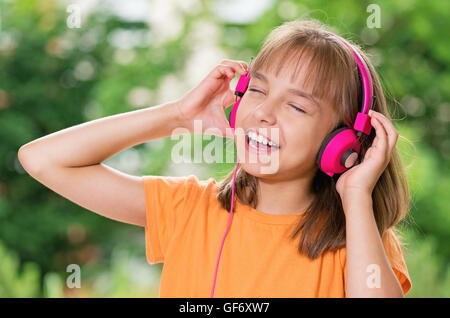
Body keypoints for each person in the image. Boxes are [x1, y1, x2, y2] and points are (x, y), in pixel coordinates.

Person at [18, 18, 412, 298]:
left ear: (343, 141)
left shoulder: (357, 238)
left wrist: (357, 195)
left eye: (296, 106)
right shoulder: (187, 209)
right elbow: (42, 160)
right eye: (257, 91)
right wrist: (177, 116)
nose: (263, 113)